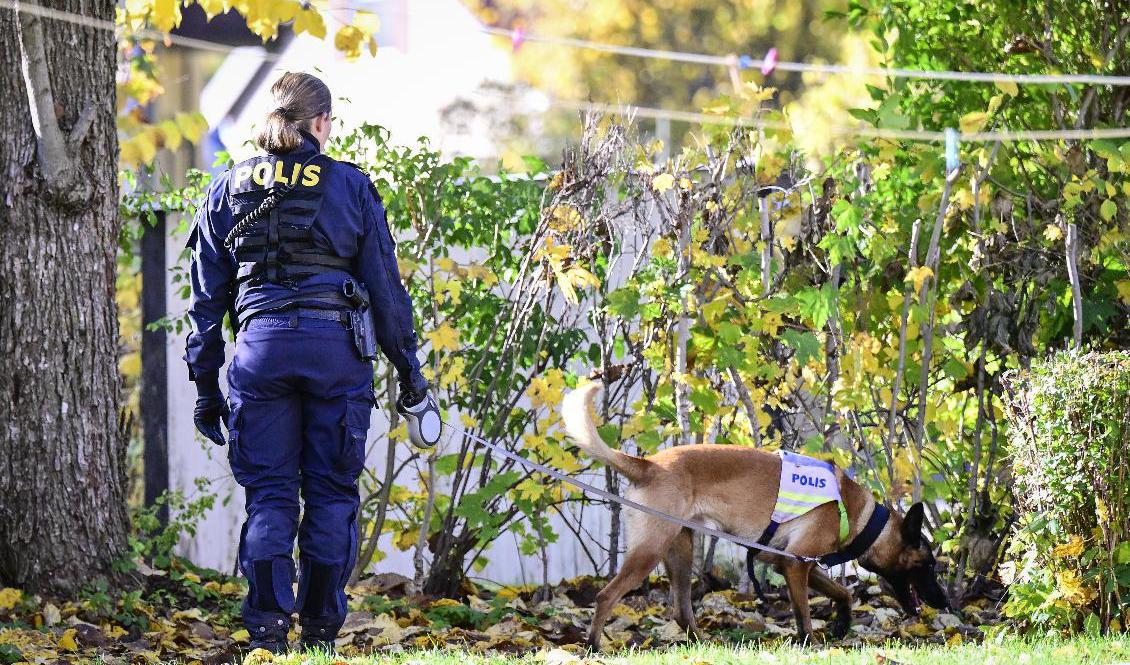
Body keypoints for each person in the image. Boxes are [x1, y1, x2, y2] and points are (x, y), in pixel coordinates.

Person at [184, 71, 437, 653]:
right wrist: (412, 375)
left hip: (260, 352)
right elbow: (385, 290)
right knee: (330, 494)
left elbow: (204, 302)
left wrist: (205, 387)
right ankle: (322, 632)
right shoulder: (350, 186)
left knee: (270, 495)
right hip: (335, 354)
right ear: (321, 124)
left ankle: (268, 634)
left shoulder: (228, 186)